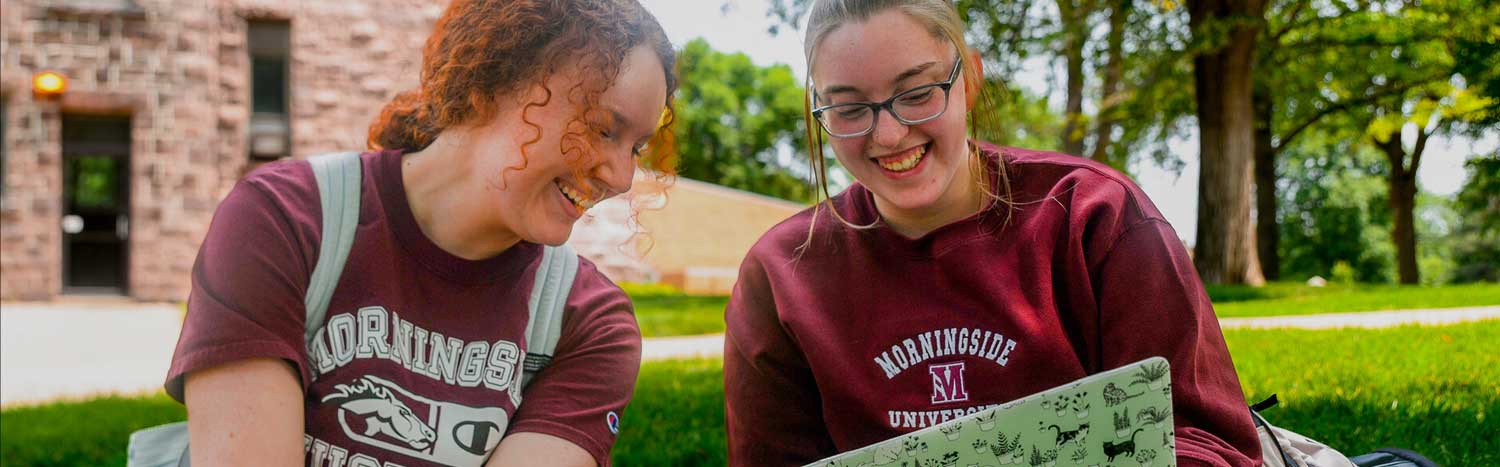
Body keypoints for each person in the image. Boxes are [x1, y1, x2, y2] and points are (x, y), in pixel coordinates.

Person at [722, 1, 1262, 466]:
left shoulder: (1092, 215)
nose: (887, 134)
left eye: (916, 93)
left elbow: (1208, 438)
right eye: (848, 108)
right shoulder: (779, 275)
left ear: (970, 79)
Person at [163, 1, 676, 466]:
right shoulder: (284, 220)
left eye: (635, 147)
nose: (620, 176)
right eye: (603, 129)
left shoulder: (589, 323)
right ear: (495, 83)